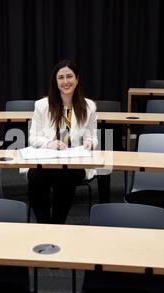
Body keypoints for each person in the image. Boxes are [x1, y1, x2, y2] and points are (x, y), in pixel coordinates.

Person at [27, 59, 98, 224]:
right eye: (61, 77)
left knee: (66, 177)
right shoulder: (41, 106)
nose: (65, 81)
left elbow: (93, 136)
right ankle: (44, 225)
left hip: (73, 162)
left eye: (69, 76)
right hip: (47, 159)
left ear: (77, 79)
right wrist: (48, 143)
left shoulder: (89, 107)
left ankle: (58, 224)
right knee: (35, 176)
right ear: (55, 81)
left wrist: (90, 142)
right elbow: (33, 138)